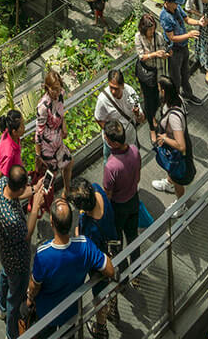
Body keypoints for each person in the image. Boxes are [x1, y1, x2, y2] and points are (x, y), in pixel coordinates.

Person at [24, 198, 114, 332]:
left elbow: (34, 286)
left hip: (46, 315)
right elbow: (110, 270)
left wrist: (29, 298)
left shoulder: (43, 254)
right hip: (70, 312)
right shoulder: (85, 246)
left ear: (52, 223)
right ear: (71, 222)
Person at [0, 166, 43, 339]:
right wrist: (35, 206)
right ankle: (11, 333)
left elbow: (18, 193)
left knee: (6, 278)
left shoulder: (1, 186)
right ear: (20, 187)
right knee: (16, 298)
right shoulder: (12, 218)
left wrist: (34, 190)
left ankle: (1, 308)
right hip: (17, 259)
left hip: (5, 252)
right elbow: (27, 234)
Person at [70, 177, 119, 338]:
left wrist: (77, 233)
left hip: (100, 263)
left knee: (99, 294)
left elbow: (84, 243)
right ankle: (113, 307)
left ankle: (101, 327)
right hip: (114, 248)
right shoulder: (98, 190)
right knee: (111, 285)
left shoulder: (89, 226)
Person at [152, 76, 195, 200]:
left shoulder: (174, 117)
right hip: (172, 148)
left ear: (164, 92)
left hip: (177, 151)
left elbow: (181, 146)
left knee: (178, 179)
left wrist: (165, 139)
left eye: (159, 89)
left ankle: (181, 203)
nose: (157, 91)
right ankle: (169, 182)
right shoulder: (175, 99)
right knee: (172, 170)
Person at [158, 0, 204, 105]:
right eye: (175, 3)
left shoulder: (177, 8)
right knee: (175, 79)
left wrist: (199, 22)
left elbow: (187, 19)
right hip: (175, 50)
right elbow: (172, 37)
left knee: (185, 73)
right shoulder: (165, 17)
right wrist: (189, 35)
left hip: (184, 47)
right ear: (167, 3)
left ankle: (188, 95)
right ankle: (175, 101)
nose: (177, 5)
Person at [102, 120, 141, 246]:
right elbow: (138, 177)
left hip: (118, 207)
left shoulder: (111, 166)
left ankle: (122, 264)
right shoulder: (135, 150)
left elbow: (108, 194)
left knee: (117, 237)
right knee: (133, 236)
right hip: (134, 199)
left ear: (113, 143)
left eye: (106, 137)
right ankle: (137, 263)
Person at [35, 70, 72, 197]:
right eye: (53, 89)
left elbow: (61, 113)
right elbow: (39, 132)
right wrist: (38, 156)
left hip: (58, 142)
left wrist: (63, 126)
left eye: (58, 88)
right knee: (49, 179)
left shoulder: (61, 94)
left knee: (68, 162)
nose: (56, 92)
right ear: (47, 87)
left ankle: (66, 191)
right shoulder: (43, 106)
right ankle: (41, 205)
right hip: (47, 147)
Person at [93, 69, 143, 159]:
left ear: (122, 86)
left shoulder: (130, 92)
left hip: (130, 139)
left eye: (115, 88)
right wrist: (112, 136)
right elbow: (98, 119)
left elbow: (141, 119)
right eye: (110, 87)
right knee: (109, 163)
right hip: (113, 144)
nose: (112, 91)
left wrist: (137, 114)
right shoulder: (103, 100)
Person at [134, 13, 168, 143]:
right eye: (149, 29)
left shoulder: (158, 36)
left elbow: (163, 49)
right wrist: (154, 54)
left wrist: (164, 54)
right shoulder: (138, 37)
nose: (151, 31)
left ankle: (155, 117)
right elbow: (141, 56)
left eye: (153, 28)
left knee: (158, 97)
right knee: (149, 101)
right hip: (147, 75)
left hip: (158, 72)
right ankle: (151, 125)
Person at [0, 109, 24, 178]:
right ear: (14, 132)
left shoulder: (11, 134)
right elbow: (4, 174)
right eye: (22, 126)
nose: (24, 127)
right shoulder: (9, 153)